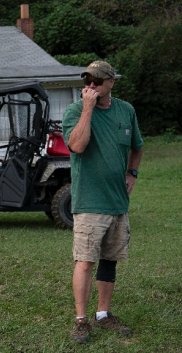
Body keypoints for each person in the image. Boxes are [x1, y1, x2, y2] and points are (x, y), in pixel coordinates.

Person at [61, 61, 144, 343]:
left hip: (117, 202)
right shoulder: (75, 111)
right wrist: (87, 109)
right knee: (85, 261)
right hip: (89, 202)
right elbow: (77, 146)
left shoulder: (126, 110)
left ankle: (103, 314)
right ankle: (81, 320)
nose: (91, 86)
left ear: (111, 82)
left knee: (110, 260)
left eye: (97, 81)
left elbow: (137, 147)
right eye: (87, 81)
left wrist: (132, 173)